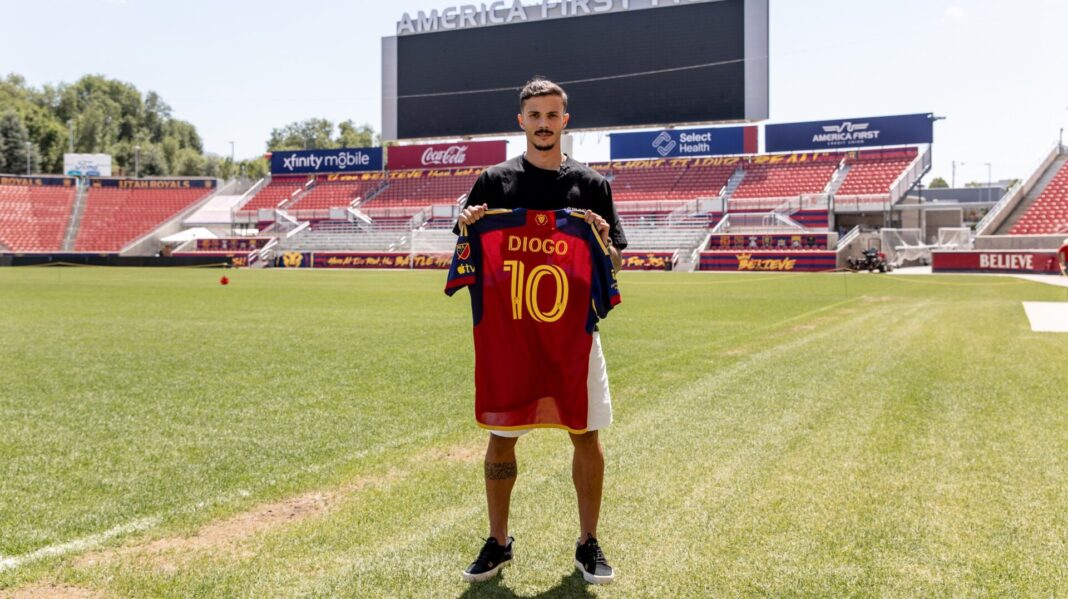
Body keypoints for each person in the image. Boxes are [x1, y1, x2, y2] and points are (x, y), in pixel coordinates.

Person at [456, 77, 627, 585]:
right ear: (522, 122)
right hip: (513, 336)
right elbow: (467, 244)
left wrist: (601, 239)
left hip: (574, 333)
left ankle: (588, 541)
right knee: (501, 438)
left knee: (586, 434)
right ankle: (499, 541)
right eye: (535, 116)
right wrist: (465, 222)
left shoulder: (593, 186)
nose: (544, 124)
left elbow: (617, 258)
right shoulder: (493, 181)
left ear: (565, 121)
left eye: (553, 115)